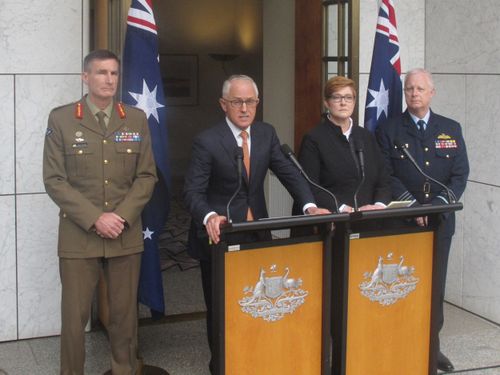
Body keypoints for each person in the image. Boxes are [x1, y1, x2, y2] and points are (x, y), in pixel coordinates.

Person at [183, 74, 330, 371]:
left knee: (255, 299)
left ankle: (253, 354)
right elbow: (191, 192)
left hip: (256, 233)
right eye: (237, 102)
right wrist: (209, 215)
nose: (245, 108)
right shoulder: (207, 141)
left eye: (250, 101)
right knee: (222, 306)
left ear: (257, 103)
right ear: (223, 105)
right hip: (219, 235)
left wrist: (310, 205)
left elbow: (289, 173)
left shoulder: (265, 134)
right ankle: (222, 363)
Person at [43, 49, 157, 375]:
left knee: (124, 316)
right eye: (101, 73)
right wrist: (96, 218)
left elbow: (147, 175)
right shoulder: (62, 118)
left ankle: (125, 370)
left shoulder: (134, 118)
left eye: (114, 74)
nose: (109, 80)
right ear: (85, 77)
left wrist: (120, 217)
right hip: (80, 234)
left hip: (125, 231)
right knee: (75, 318)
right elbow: (54, 180)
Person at [376, 68, 469, 372]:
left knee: (434, 286)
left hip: (439, 222)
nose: (414, 94)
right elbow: (386, 175)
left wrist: (439, 205)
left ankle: (431, 346)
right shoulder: (389, 129)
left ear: (432, 93)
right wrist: (412, 206)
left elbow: (460, 174)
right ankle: (400, 343)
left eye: (420, 89)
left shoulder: (450, 128)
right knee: (401, 286)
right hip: (402, 222)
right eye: (409, 89)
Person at [298, 75, 392, 214]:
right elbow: (310, 185)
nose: (343, 103)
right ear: (326, 103)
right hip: (334, 220)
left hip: (369, 220)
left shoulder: (366, 137)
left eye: (348, 97)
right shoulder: (314, 139)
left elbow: (383, 179)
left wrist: (379, 205)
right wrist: (340, 207)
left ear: (354, 102)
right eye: (337, 97)